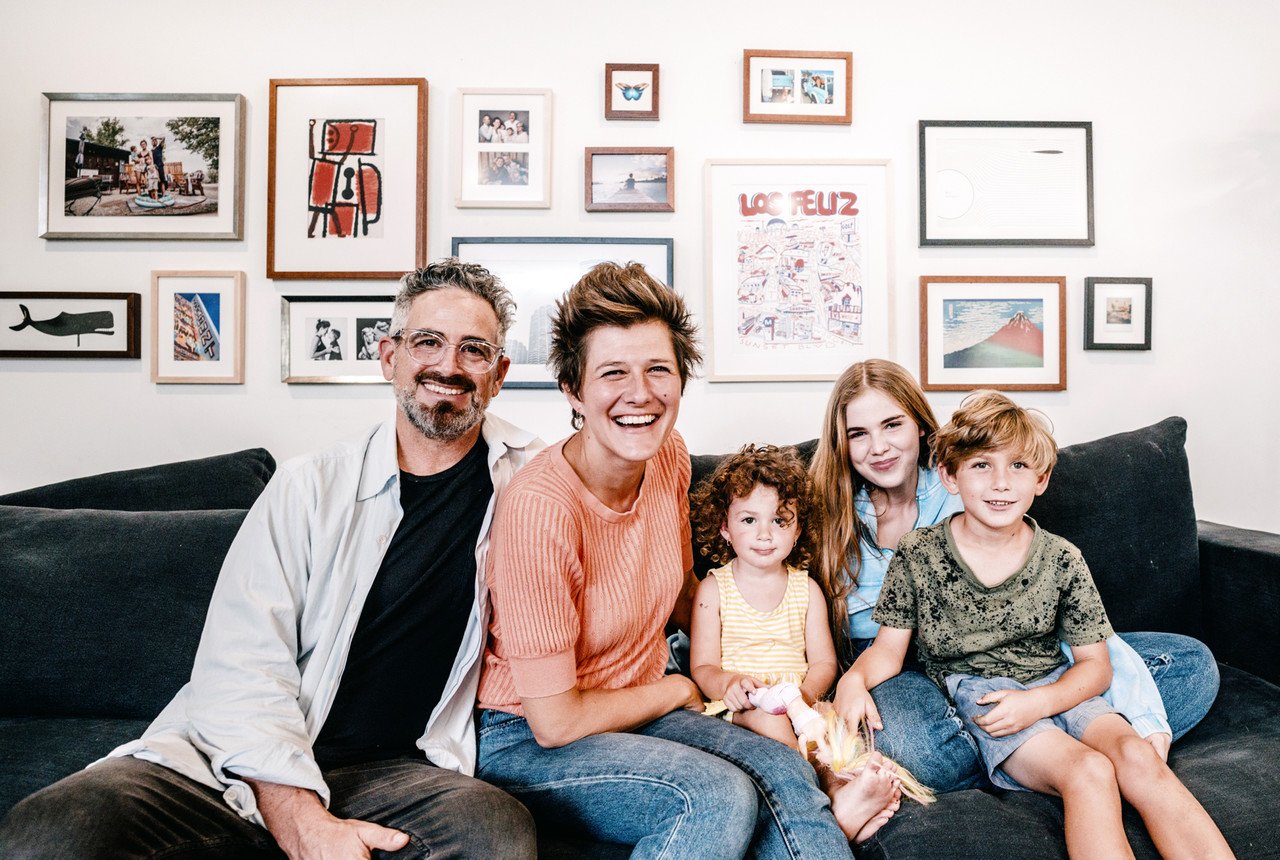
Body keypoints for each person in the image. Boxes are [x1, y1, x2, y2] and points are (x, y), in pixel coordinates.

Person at [0, 260, 543, 859]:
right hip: (226, 762)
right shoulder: (308, 487)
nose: (448, 366)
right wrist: (297, 816)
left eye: (474, 350)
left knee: (495, 834)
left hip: (394, 774)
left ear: (499, 375)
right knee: (53, 830)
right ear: (389, 357)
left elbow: (624, 506)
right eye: (427, 342)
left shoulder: (535, 484)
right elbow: (240, 665)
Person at [475, 262, 856, 857]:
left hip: (637, 700)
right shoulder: (539, 509)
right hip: (527, 735)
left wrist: (751, 678)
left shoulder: (668, 456)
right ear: (573, 390)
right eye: (613, 373)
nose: (641, 394)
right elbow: (555, 722)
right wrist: (681, 691)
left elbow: (681, 588)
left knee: (782, 767)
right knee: (713, 796)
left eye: (659, 369)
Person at [839, 391, 1232, 858]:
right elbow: (888, 650)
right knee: (1089, 771)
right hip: (984, 696)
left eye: (1020, 467)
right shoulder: (918, 554)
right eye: (982, 465)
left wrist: (1040, 703)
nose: (1001, 483)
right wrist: (853, 681)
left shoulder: (1063, 559)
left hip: (1055, 684)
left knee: (1137, 756)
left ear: (1041, 479)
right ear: (948, 474)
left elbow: (1096, 667)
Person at [689, 443, 902, 843]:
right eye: (749, 519)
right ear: (724, 527)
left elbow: (824, 662)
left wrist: (801, 697)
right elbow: (702, 667)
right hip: (741, 707)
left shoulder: (806, 589)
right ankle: (832, 796)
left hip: (799, 701)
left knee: (834, 725)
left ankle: (845, 787)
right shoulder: (713, 589)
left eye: (780, 521)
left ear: (799, 527)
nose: (765, 534)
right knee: (772, 722)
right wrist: (730, 685)